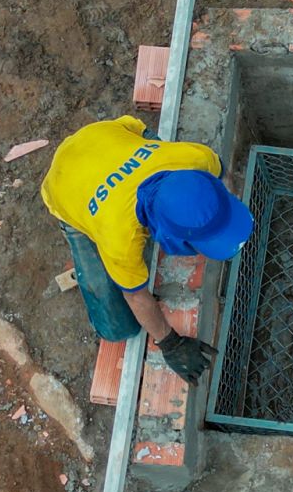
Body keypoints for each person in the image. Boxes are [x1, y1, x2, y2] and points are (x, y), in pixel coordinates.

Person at [40, 116, 253, 385]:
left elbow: (223, 180)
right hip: (64, 185)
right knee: (118, 327)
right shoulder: (120, 237)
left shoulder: (194, 157)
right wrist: (170, 343)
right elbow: (136, 297)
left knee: (170, 182)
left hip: (108, 135)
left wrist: (221, 222)